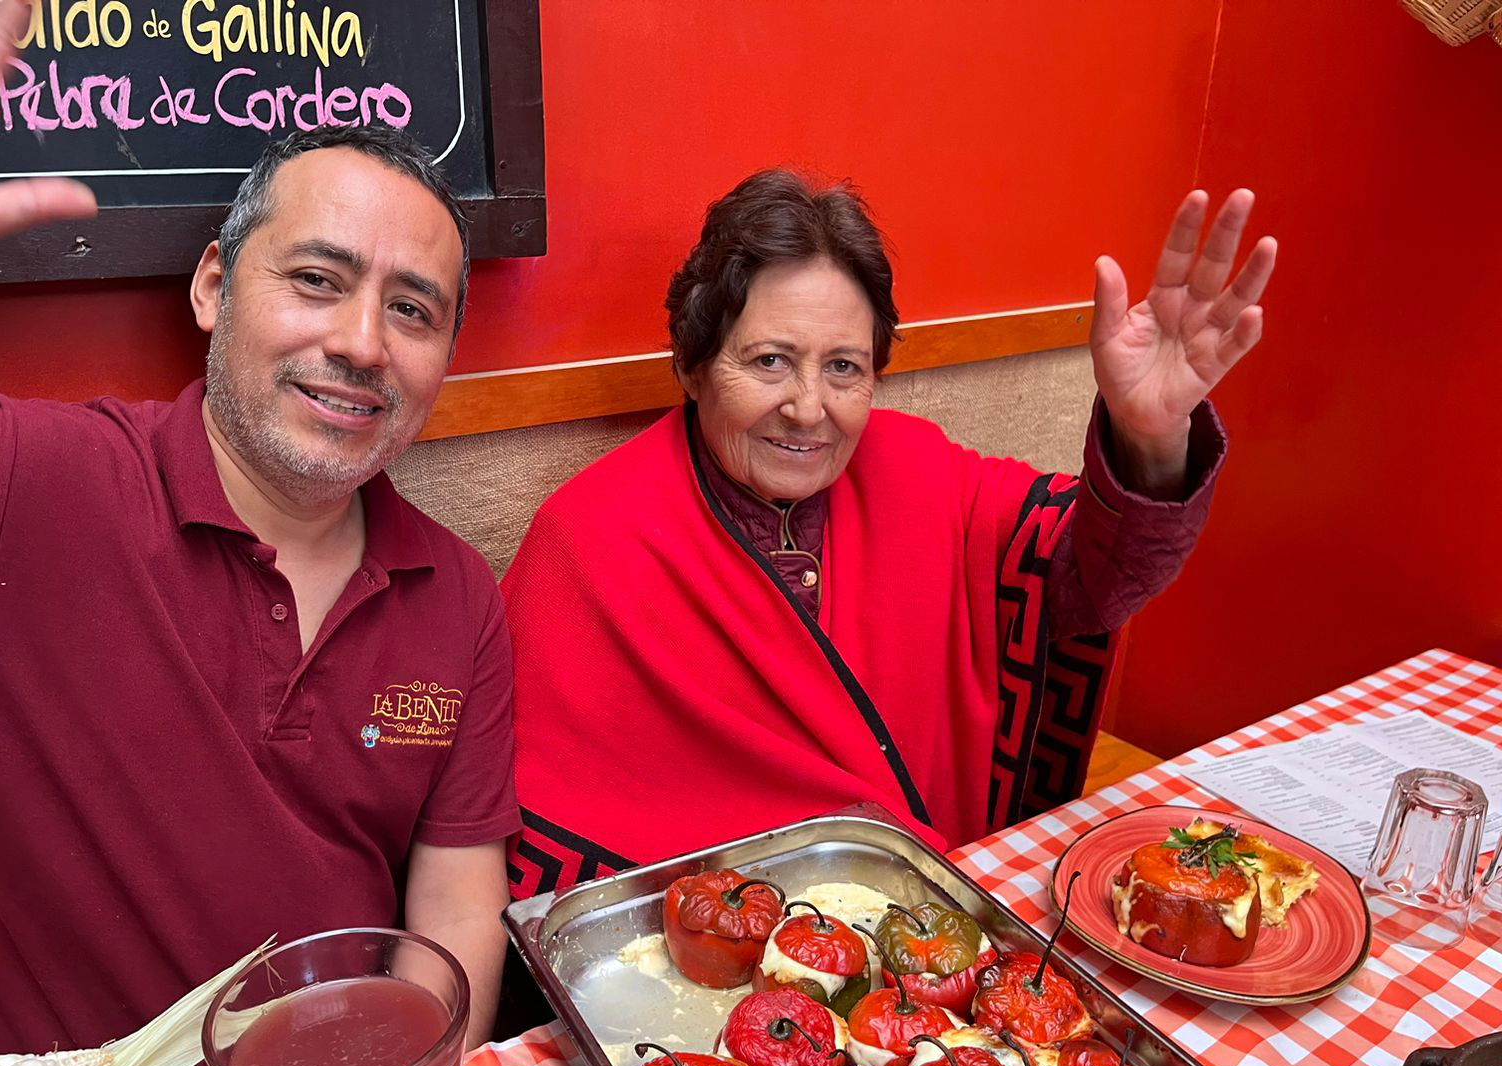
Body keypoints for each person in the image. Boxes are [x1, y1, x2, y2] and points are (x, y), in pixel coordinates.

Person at [0, 0, 517, 1066]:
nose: (363, 345)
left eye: (412, 310)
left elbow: (454, 908)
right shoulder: (10, 493)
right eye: (318, 280)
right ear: (210, 288)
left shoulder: (458, 597)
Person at [503, 167, 1274, 898]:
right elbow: (532, 829)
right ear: (695, 366)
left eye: (844, 367)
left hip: (939, 925)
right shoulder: (589, 538)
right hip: (711, 959)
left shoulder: (921, 470)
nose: (810, 408)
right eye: (770, 361)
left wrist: (1149, 438)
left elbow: (1094, 579)